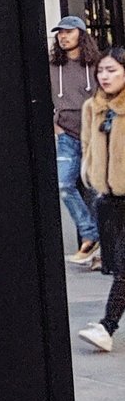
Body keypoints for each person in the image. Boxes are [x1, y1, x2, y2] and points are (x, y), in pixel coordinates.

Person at [78, 46, 125, 353]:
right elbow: (87, 145)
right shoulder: (92, 106)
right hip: (109, 200)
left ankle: (107, 326)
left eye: (112, 71)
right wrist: (90, 174)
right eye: (101, 71)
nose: (105, 76)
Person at [51, 15, 100, 267]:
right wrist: (56, 127)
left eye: (68, 32)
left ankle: (100, 251)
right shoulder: (52, 65)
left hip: (94, 136)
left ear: (81, 34)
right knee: (63, 184)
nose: (63, 36)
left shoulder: (96, 64)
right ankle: (90, 234)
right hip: (67, 136)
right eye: (60, 33)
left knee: (95, 190)